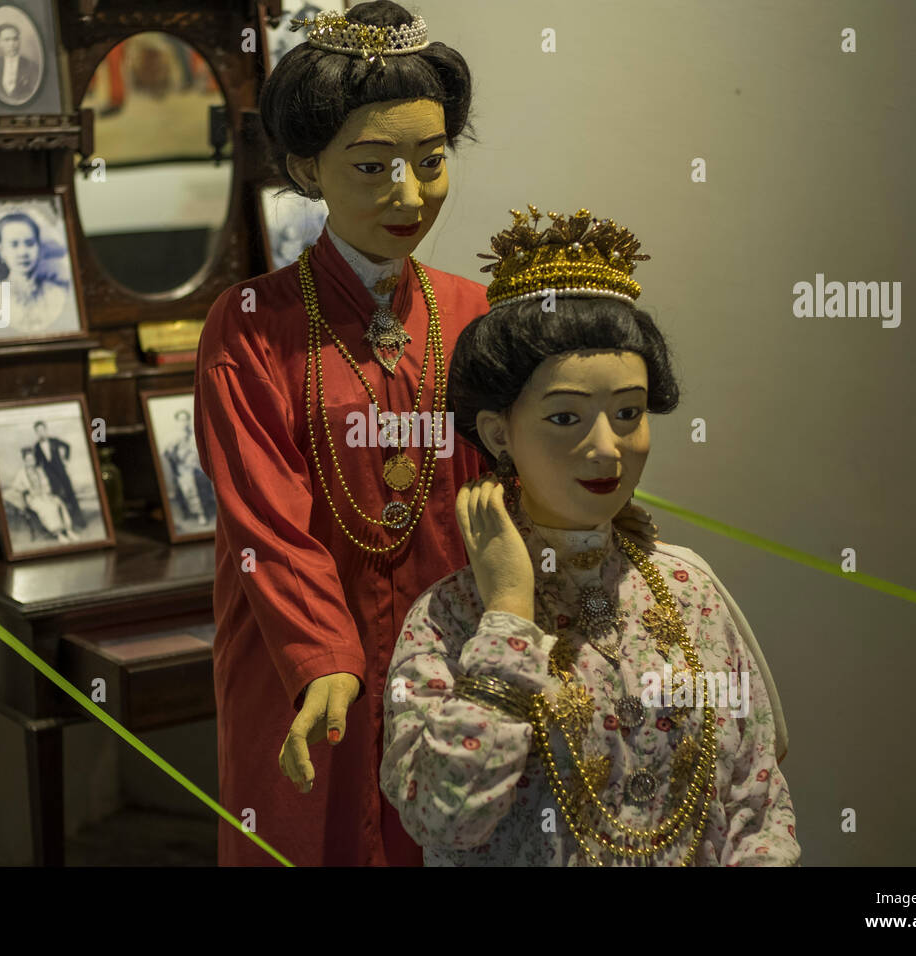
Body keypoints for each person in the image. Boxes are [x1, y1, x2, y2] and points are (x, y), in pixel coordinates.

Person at [194, 3, 660, 867]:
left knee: (447, 822)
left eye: (430, 161)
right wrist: (322, 654)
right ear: (308, 168)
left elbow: (533, 471)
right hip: (296, 655)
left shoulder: (470, 311)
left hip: (451, 633)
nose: (407, 194)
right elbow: (265, 518)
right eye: (371, 166)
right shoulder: (251, 324)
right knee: (311, 828)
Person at [380, 206, 798, 865]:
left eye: (628, 413)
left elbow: (757, 801)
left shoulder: (690, 592)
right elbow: (444, 817)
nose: (607, 449)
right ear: (497, 434)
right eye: (567, 416)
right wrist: (511, 619)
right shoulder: (449, 622)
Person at [0, 212, 70, 336]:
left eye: (29, 243)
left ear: (39, 247)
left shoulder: (57, 294)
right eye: (14, 244)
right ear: (2, 251)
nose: (23, 252)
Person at [6, 448, 74, 543]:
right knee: (47, 508)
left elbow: (46, 483)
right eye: (28, 460)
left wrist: (46, 494)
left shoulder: (39, 470)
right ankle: (58, 534)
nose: (31, 461)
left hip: (45, 495)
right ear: (25, 461)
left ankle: (68, 530)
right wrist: (26, 490)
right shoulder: (21, 473)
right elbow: (15, 486)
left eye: (32, 459)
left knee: (58, 502)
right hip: (32, 499)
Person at [164, 409, 215, 526]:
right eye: (181, 420)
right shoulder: (172, 437)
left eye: (186, 419)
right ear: (177, 421)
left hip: (198, 466)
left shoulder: (195, 433)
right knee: (189, 483)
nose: (184, 422)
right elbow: (169, 455)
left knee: (208, 480)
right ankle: (200, 513)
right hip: (183, 468)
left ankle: (211, 509)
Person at [32, 421, 85, 530]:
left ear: (45, 430)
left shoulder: (54, 441)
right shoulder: (37, 447)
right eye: (38, 431)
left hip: (62, 473)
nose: (41, 433)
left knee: (71, 496)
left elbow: (67, 446)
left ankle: (80, 522)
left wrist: (65, 458)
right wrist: (37, 472)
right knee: (59, 499)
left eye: (42, 430)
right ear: (36, 433)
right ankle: (67, 525)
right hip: (51, 477)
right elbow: (37, 463)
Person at [0, 22, 40, 106]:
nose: (12, 44)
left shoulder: (32, 66)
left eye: (15, 39)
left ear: (19, 41)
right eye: (7, 40)